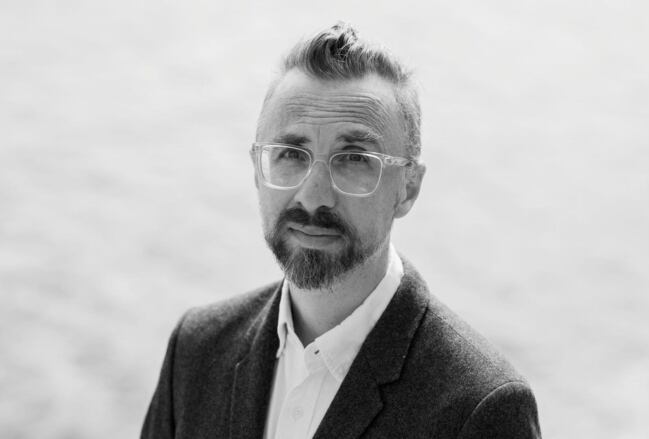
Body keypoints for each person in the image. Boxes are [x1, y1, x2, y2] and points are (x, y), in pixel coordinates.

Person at [141, 22, 541, 439]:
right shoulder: (197, 349)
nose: (313, 197)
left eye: (353, 159)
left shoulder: (482, 408)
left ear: (408, 189)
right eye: (290, 154)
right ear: (257, 170)